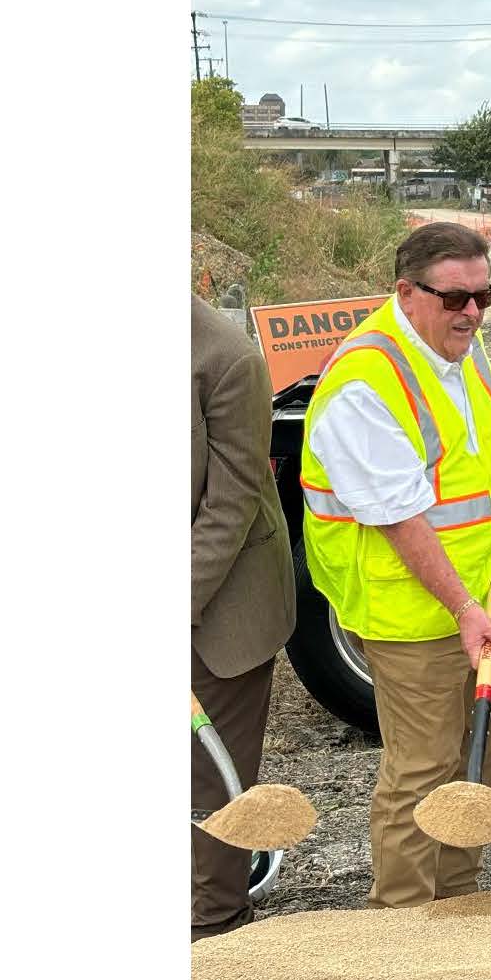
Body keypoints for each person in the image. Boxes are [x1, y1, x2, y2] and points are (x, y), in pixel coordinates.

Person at [299, 224, 491, 907]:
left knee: (481, 755)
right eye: (456, 297)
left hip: (487, 592)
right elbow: (400, 517)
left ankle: (458, 902)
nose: (473, 312)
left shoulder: (460, 341)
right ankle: (401, 928)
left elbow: (462, 442)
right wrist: (463, 610)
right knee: (422, 772)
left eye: (484, 295)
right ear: (406, 291)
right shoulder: (365, 383)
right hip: (416, 612)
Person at [191, 296, 296, 938]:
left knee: (210, 782)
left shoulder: (227, 359)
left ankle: (213, 923)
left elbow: (228, 509)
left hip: (221, 605)